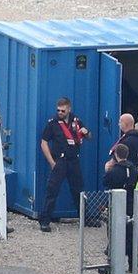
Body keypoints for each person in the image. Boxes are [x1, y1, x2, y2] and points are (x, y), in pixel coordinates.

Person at [39, 97, 89, 232]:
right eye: (58, 110)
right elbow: (43, 142)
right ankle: (44, 221)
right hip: (60, 161)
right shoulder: (53, 123)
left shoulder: (76, 121)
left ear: (69, 109)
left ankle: (86, 219)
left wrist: (86, 133)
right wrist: (51, 162)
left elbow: (88, 136)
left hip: (74, 160)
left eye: (62, 110)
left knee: (78, 190)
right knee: (52, 191)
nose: (60, 112)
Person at [103, 144, 138, 270]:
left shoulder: (114, 171)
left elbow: (105, 182)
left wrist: (107, 170)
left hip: (116, 204)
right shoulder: (134, 169)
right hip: (130, 202)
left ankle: (113, 263)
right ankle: (133, 263)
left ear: (116, 154)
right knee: (130, 233)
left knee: (113, 233)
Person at [107, 113, 138, 180]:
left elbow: (116, 160)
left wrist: (109, 166)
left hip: (124, 176)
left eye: (120, 122)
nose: (118, 124)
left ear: (125, 123)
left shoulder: (127, 141)